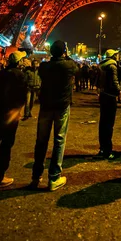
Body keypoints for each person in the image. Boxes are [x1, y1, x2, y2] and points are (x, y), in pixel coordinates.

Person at [30, 40, 77, 191]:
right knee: (59, 140)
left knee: (41, 141)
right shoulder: (69, 65)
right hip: (62, 106)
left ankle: (36, 176)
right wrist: (67, 55)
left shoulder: (44, 66)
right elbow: (75, 66)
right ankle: (54, 177)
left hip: (46, 106)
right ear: (64, 52)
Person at [0, 50, 27, 189]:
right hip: (12, 114)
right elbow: (22, 96)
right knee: (6, 144)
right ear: (19, 62)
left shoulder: (0, 74)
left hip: (0, 111)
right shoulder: (20, 75)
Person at [96, 49, 121, 159]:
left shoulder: (101, 66)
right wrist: (118, 91)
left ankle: (102, 148)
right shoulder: (112, 66)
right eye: (116, 55)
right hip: (110, 97)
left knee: (103, 123)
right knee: (109, 124)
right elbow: (115, 82)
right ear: (113, 56)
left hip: (103, 95)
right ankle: (108, 150)